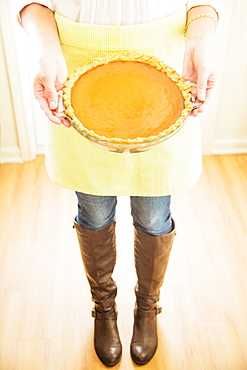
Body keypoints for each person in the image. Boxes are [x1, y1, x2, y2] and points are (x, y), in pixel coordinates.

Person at [18, 0, 223, 366]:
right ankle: (104, 309)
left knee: (154, 216)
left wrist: (202, 37)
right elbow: (31, 4)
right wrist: (45, 48)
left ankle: (147, 309)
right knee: (93, 212)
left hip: (162, 74)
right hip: (79, 74)